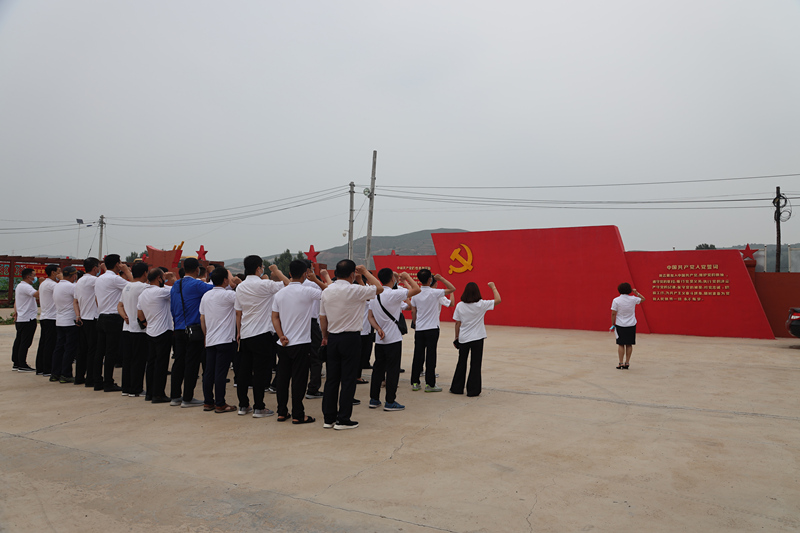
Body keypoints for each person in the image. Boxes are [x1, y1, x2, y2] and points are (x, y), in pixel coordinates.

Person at [319, 261, 383, 430]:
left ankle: (328, 418)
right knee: (348, 380)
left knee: (332, 380)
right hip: (351, 338)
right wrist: (366, 272)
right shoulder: (355, 290)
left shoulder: (327, 291)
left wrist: (325, 336)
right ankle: (343, 419)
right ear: (352, 274)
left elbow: (322, 318)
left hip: (333, 337)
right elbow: (379, 288)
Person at [271, 260, 326, 424]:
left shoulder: (280, 293)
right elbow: (330, 292)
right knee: (299, 380)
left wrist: (281, 335)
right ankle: (298, 414)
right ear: (305, 274)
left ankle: (282, 412)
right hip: (301, 343)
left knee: (282, 379)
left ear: (289, 273)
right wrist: (316, 280)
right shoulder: (307, 291)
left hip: (283, 343)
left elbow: (274, 317)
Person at [234, 255, 288, 417]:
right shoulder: (265, 284)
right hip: (261, 334)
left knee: (244, 371)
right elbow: (289, 285)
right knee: (260, 372)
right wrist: (276, 271)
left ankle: (243, 405)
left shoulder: (240, 287)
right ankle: (259, 406)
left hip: (246, 333)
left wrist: (238, 332)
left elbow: (238, 312)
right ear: (258, 268)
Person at [367, 269, 420, 412]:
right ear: (392, 279)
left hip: (380, 339)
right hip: (393, 339)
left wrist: (378, 328)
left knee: (378, 370)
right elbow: (417, 290)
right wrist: (406, 277)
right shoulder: (393, 294)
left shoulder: (375, 295)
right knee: (392, 370)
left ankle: (374, 399)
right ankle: (390, 401)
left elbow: (370, 317)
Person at [170, 258, 213, 407]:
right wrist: (211, 274)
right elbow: (216, 288)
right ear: (197, 270)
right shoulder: (197, 284)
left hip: (178, 328)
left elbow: (173, 307)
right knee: (192, 364)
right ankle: (187, 398)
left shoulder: (176, 284)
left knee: (178, 362)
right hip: (193, 329)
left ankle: (175, 396)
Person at [450, 281, 501, 397]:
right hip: (477, 338)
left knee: (461, 363)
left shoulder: (460, 305)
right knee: (476, 364)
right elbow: (498, 300)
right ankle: (473, 390)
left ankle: (457, 388)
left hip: (464, 338)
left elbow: (457, 323)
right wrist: (493, 287)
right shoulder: (481, 304)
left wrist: (456, 337)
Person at [200, 267, 239, 413]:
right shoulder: (229, 295)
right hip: (225, 339)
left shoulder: (206, 296)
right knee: (220, 373)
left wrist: (206, 336)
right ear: (225, 280)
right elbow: (243, 298)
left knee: (208, 372)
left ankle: (208, 402)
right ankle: (220, 403)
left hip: (210, 338)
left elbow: (202, 318)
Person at [409, 270, 455, 393]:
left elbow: (413, 311)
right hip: (432, 328)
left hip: (420, 329)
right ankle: (430, 384)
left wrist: (416, 323)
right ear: (430, 279)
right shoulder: (435, 292)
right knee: (431, 356)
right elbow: (452, 289)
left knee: (418, 355)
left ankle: (415, 382)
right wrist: (441, 279)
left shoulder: (416, 293)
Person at [137, 268, 176, 403]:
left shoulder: (143, 294)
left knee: (151, 363)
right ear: (159, 278)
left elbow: (140, 313)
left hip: (150, 331)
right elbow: (178, 291)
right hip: (163, 331)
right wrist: (173, 279)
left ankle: (150, 392)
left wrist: (146, 323)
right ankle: (158, 394)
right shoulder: (161, 292)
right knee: (161, 364)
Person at [94, 254, 132, 392]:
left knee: (100, 351)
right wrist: (126, 271)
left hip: (101, 316)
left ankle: (97, 381)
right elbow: (135, 285)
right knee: (111, 352)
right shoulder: (115, 279)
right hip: (113, 318)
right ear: (117, 264)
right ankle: (108, 382)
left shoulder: (99, 278)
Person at [118, 262, 150, 396]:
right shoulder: (144, 287)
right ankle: (136, 389)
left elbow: (119, 305)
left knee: (127, 360)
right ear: (145, 273)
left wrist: (124, 316)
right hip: (139, 329)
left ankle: (126, 388)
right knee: (138, 360)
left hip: (126, 328)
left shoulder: (126, 286)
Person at [302, 259, 328, 401]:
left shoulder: (289, 286)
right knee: (315, 357)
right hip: (311, 324)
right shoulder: (312, 284)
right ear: (307, 271)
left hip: (297, 323)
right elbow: (328, 292)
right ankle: (313, 388)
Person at [50, 266, 80, 383]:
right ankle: (65, 374)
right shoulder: (72, 287)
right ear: (74, 276)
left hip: (59, 320)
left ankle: (55, 373)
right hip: (70, 321)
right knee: (69, 349)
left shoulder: (57, 286)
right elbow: (78, 301)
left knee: (59, 348)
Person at [74, 257, 100, 386]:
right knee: (93, 350)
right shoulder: (95, 280)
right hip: (92, 318)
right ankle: (91, 378)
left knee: (82, 350)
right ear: (95, 268)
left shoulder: (79, 281)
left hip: (83, 317)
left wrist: (78, 315)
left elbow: (75, 301)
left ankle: (79, 376)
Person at [610, 282, 646, 369]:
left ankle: (620, 363)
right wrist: (636, 292)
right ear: (629, 290)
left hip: (620, 324)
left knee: (621, 344)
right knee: (629, 344)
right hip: (631, 324)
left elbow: (613, 313)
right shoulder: (633, 299)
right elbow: (643, 299)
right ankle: (627, 362)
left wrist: (613, 324)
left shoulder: (616, 300)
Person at [11, 268, 39, 372]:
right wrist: (42, 284)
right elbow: (37, 294)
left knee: (19, 341)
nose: (35, 277)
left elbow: (16, 301)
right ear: (28, 277)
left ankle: (16, 363)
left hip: (22, 318)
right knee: (25, 342)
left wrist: (15, 311)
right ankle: (22, 364)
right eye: (34, 275)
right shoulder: (26, 287)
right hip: (27, 318)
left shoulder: (20, 286)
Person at [35, 265, 60, 376]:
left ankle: (40, 368)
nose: (60, 274)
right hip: (51, 317)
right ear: (53, 273)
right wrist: (62, 279)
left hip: (45, 316)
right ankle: (47, 368)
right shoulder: (52, 285)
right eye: (59, 272)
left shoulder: (44, 283)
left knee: (44, 343)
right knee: (50, 344)